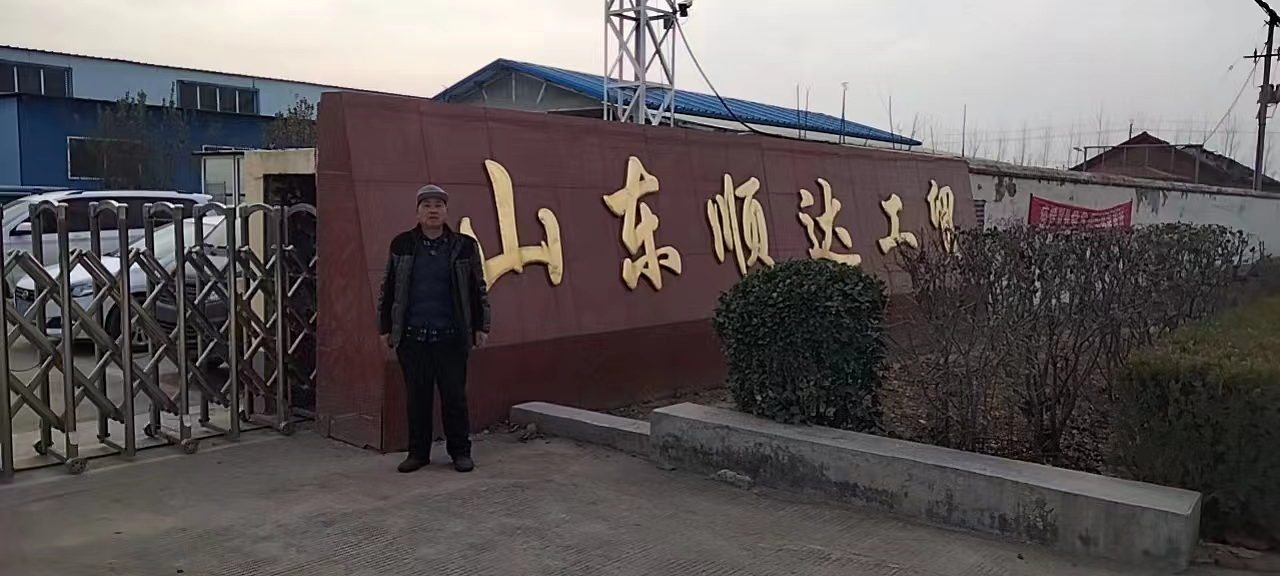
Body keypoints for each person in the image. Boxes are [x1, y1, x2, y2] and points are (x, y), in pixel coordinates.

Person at [377, 184, 490, 473]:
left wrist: (481, 326)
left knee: (454, 398)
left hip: (451, 338)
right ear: (417, 212)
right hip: (413, 338)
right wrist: (385, 327)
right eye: (426, 205)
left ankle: (460, 452)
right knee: (417, 399)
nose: (433, 211)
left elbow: (478, 289)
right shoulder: (402, 245)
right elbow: (388, 288)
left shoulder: (464, 246)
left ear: (446, 212)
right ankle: (418, 454)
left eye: (438, 205)